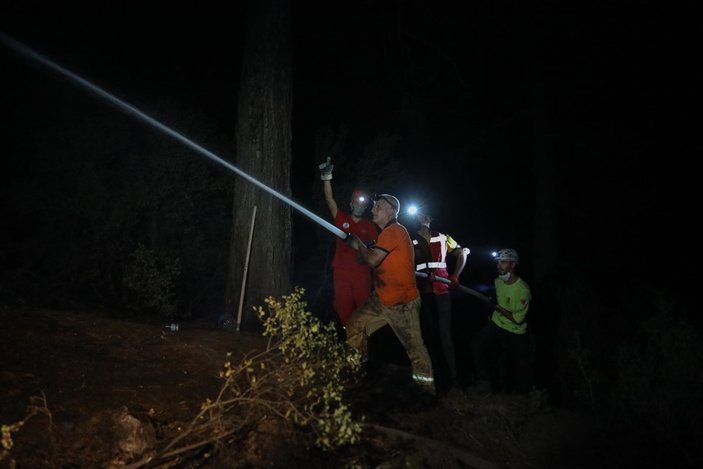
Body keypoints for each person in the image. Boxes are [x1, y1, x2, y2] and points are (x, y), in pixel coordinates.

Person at [344, 194, 436, 396]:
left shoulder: (394, 231)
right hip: (382, 297)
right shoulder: (386, 235)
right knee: (355, 325)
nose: (373, 209)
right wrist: (358, 248)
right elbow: (371, 258)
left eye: (378, 206)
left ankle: (426, 392)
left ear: (392, 211)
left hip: (402, 302)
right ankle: (356, 373)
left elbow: (372, 260)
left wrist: (358, 243)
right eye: (374, 206)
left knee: (415, 349)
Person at [412, 212, 468, 391]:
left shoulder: (444, 238)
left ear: (430, 219)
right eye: (420, 216)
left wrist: (456, 276)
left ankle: (453, 379)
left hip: (442, 292)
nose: (423, 219)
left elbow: (462, 253)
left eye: (426, 216)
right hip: (422, 292)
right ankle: (428, 379)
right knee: (426, 336)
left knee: (444, 336)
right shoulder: (409, 239)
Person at [319, 157, 377, 329]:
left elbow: (374, 250)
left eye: (363, 202)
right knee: (343, 308)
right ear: (351, 203)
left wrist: (359, 248)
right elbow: (330, 200)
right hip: (341, 272)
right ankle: (351, 345)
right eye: (357, 201)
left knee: (364, 309)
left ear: (365, 206)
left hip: (362, 273)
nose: (359, 205)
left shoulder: (370, 226)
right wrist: (327, 177)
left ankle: (364, 349)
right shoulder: (342, 219)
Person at [469, 248, 531, 395]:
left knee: (520, 366)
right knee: (477, 345)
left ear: (513, 265)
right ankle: (485, 383)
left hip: (515, 331)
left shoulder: (523, 290)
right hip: (497, 325)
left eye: (503, 262)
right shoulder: (498, 282)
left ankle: (525, 397)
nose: (499, 266)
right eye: (498, 262)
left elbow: (517, 319)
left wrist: (496, 307)